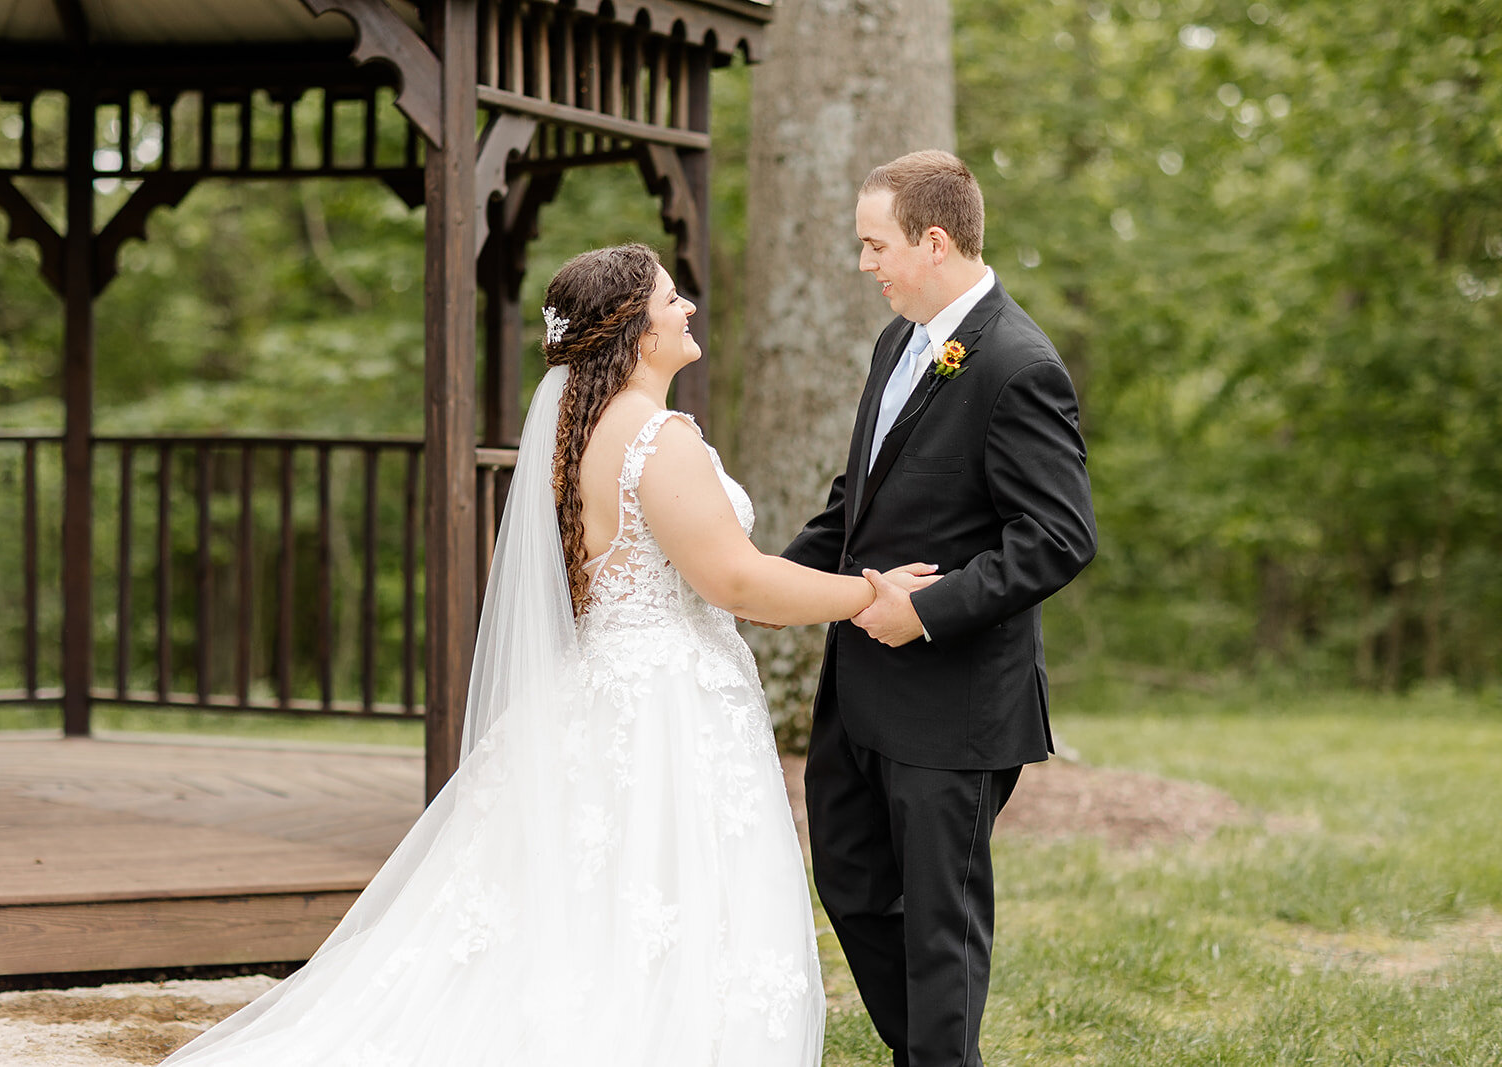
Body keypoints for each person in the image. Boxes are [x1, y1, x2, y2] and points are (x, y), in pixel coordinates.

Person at [160, 243, 936, 1067]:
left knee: (587, 906)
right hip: (667, 704)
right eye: (673, 300)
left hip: (600, 689)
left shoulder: (572, 430)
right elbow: (736, 582)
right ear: (636, 330)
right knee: (660, 897)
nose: (689, 310)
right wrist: (872, 595)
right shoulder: (656, 437)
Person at [780, 151, 1098, 1067]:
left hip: (954, 701)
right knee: (845, 875)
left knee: (939, 929)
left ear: (934, 239)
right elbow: (861, 500)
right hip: (862, 686)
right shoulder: (899, 341)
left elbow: (1058, 537)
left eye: (875, 244)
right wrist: (770, 585)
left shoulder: (1017, 362)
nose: (866, 263)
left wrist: (925, 612)